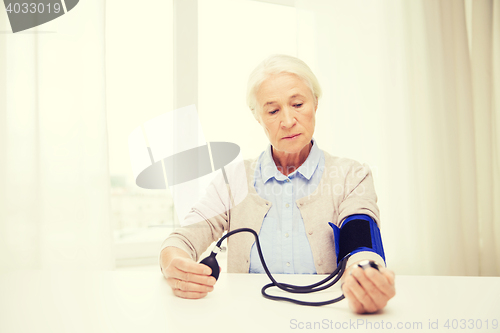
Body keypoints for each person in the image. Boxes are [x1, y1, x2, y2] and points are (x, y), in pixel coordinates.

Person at [159, 54, 395, 314]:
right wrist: (174, 262)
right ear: (257, 117)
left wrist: (365, 275)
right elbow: (183, 239)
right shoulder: (233, 179)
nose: (288, 121)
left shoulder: (352, 174)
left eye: (297, 104)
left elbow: (361, 242)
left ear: (315, 103)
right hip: (247, 319)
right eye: (272, 110)